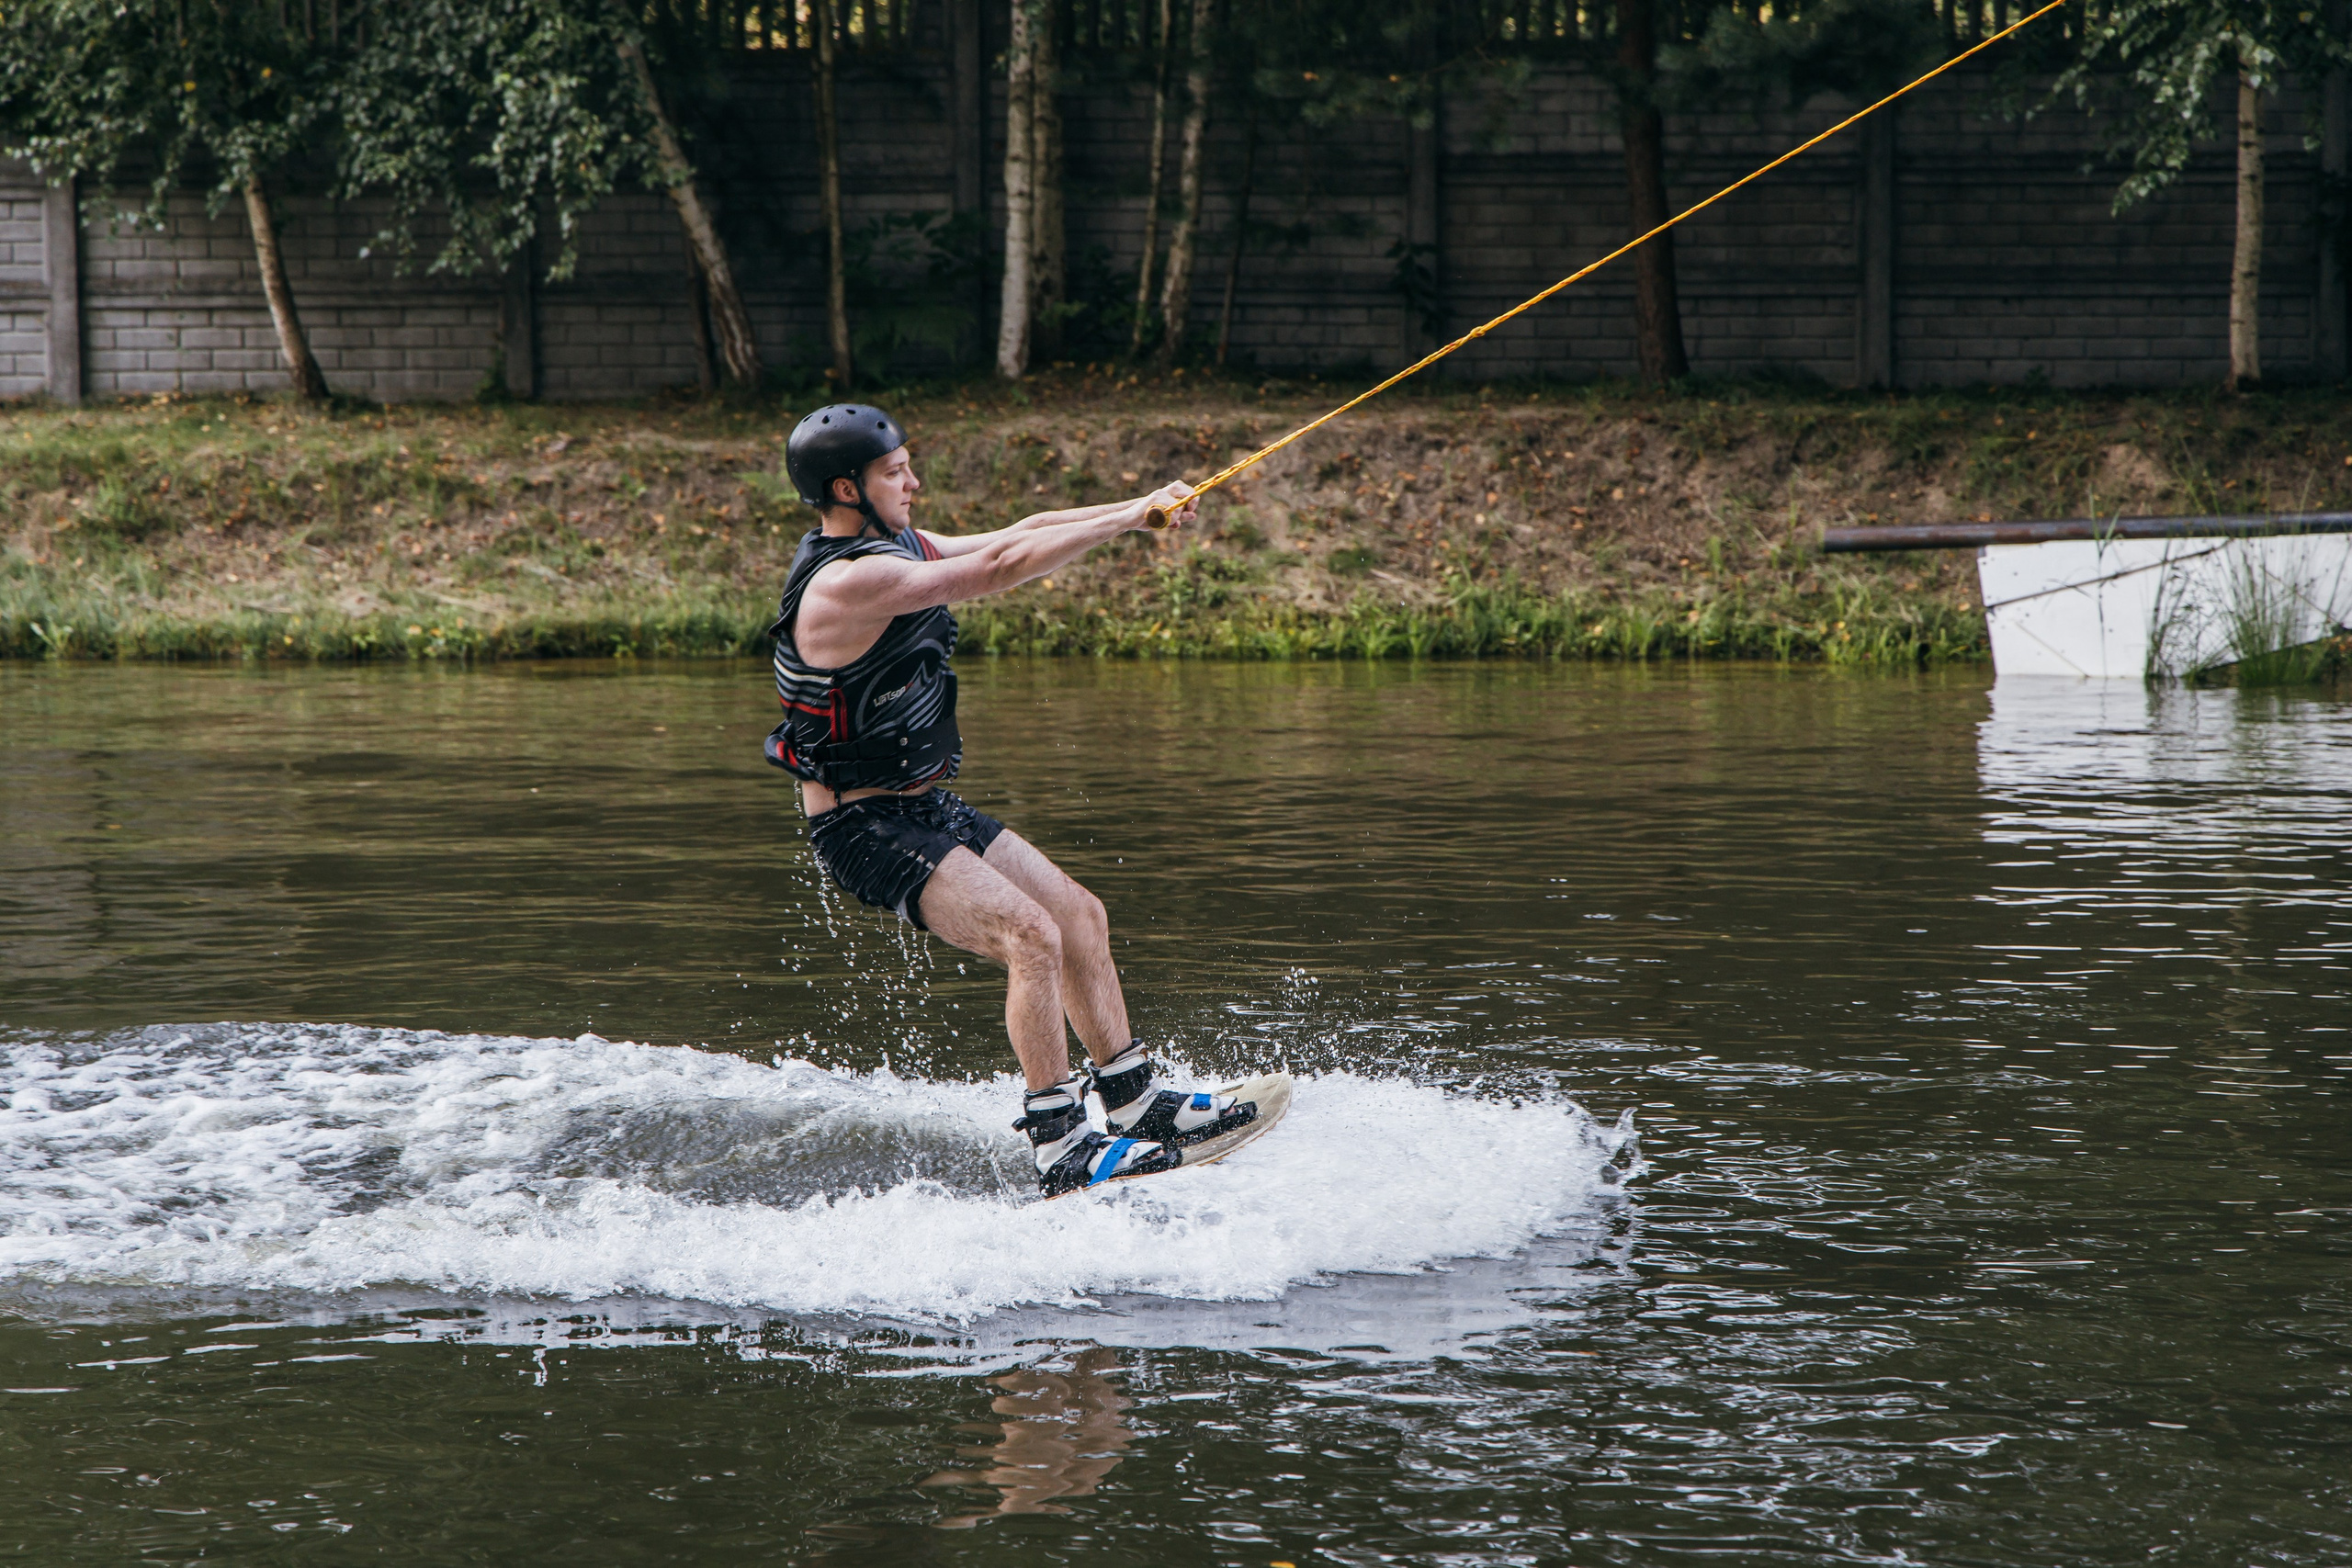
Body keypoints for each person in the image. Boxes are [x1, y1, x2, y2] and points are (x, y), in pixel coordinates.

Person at [763, 403, 1265, 1196]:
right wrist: (1132, 516)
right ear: (844, 488)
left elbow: (1016, 532)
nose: (913, 481)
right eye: (896, 472)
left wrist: (1137, 511)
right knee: (1031, 936)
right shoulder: (850, 581)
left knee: (1078, 915)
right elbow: (998, 571)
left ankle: (1137, 1104)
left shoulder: (891, 545)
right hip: (861, 825)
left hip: (918, 805)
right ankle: (1062, 1146)